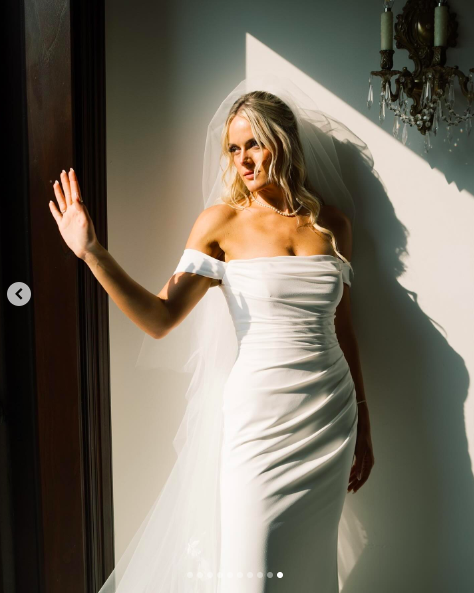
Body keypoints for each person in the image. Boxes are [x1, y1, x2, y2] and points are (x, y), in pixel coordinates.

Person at [49, 78, 374, 592]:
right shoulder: (220, 223)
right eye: (233, 148)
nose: (243, 159)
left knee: (310, 568)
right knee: (254, 573)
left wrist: (365, 418)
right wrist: (92, 252)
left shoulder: (332, 224)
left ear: (283, 142)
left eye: (254, 143)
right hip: (260, 422)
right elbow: (160, 318)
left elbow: (343, 325)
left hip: (330, 417)